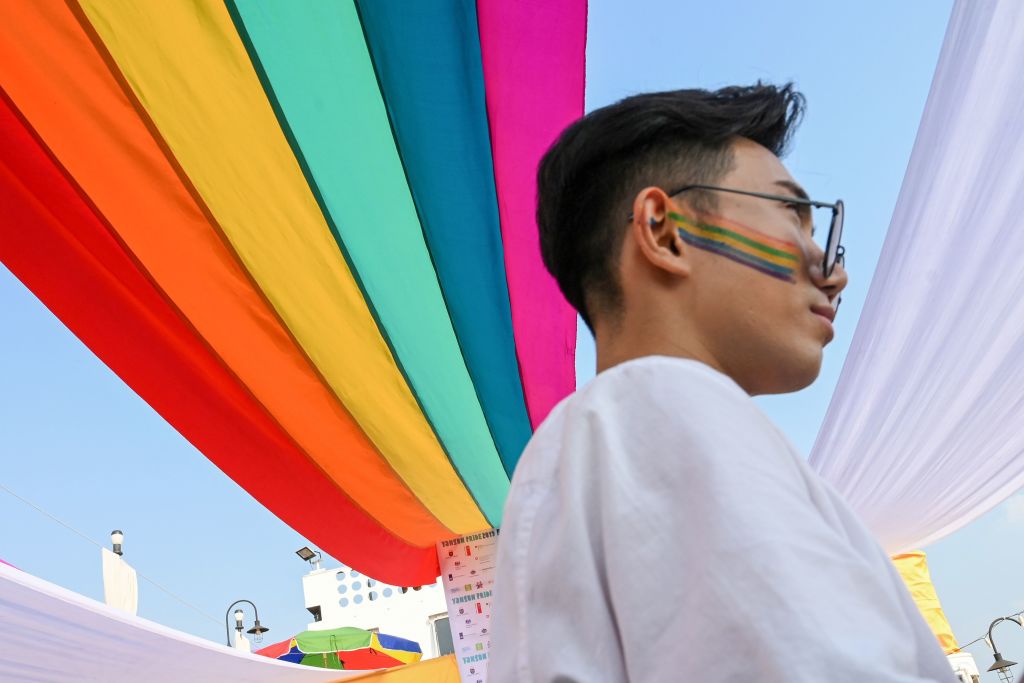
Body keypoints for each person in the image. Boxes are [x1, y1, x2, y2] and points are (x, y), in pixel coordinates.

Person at [489, 84, 956, 682]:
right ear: (664, 232)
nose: (832, 271)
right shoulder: (661, 404)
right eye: (794, 215)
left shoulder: (610, 433)